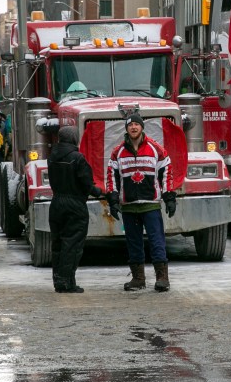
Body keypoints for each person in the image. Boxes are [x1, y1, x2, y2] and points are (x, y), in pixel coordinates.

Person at [106, 113, 177, 292]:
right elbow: (111, 177)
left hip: (150, 204)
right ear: (127, 129)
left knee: (156, 241)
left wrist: (169, 198)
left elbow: (167, 173)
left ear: (142, 127)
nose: (134, 128)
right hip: (128, 206)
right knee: (133, 242)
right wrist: (113, 200)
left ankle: (162, 278)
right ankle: (138, 279)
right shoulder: (118, 152)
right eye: (130, 125)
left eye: (137, 125)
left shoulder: (156, 149)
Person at [47, 126, 102, 293]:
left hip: (56, 203)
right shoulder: (78, 158)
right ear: (73, 139)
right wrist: (99, 192)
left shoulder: (52, 157)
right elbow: (86, 183)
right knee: (72, 244)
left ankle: (59, 281)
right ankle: (67, 281)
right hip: (75, 204)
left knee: (58, 243)